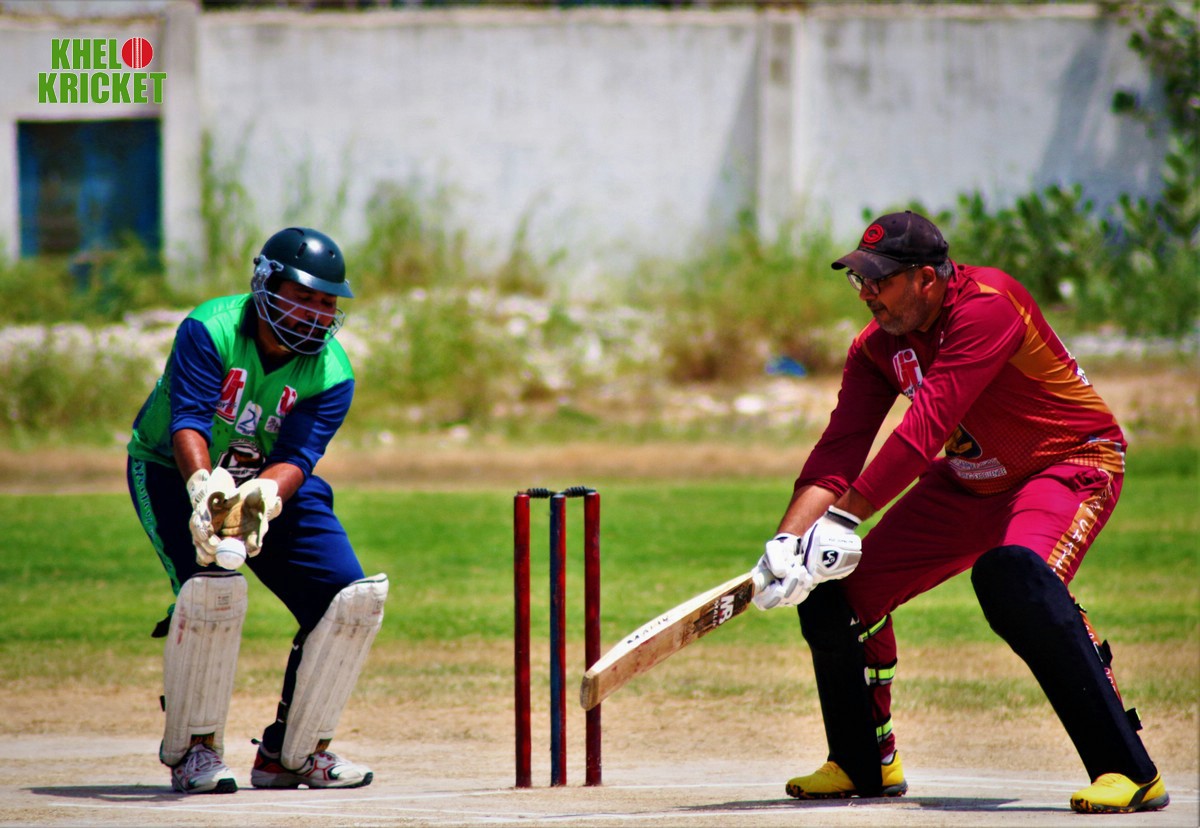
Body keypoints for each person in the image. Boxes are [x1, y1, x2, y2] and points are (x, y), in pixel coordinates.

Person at [750, 211, 1169, 815]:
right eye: (860, 280)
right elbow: (838, 451)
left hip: (1067, 463)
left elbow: (928, 425)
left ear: (926, 278)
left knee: (1016, 580)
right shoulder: (875, 347)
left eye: (879, 280)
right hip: (972, 479)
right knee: (831, 589)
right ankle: (863, 763)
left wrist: (841, 521)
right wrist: (788, 544)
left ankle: (1128, 770)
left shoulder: (989, 304)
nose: (866, 293)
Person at [127, 226, 389, 795]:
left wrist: (261, 499)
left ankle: (291, 753)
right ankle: (194, 751)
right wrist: (205, 491)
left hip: (267, 479)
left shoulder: (333, 372)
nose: (318, 314)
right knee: (211, 590)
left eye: (329, 303)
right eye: (304, 297)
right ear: (266, 284)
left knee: (348, 599)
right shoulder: (211, 328)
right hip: (172, 469)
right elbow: (188, 420)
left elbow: (298, 456)